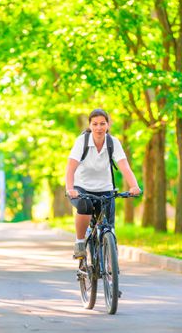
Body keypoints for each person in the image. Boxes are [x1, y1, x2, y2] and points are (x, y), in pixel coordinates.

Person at [65, 108, 141, 258]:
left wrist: (134, 186)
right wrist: (70, 188)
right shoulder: (82, 141)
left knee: (108, 225)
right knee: (85, 206)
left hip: (105, 188)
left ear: (108, 125)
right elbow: (70, 168)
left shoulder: (113, 142)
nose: (99, 127)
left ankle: (109, 258)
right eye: (95, 124)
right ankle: (80, 242)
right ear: (90, 125)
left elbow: (124, 166)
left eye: (102, 123)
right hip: (82, 188)